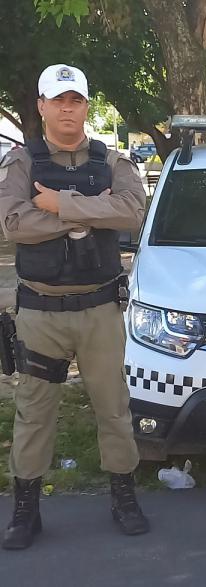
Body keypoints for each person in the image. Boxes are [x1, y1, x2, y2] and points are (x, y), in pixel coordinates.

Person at [0, 64, 149, 550]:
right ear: (42, 106)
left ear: (86, 106)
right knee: (34, 411)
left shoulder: (112, 160)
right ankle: (26, 509)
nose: (69, 109)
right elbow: (13, 223)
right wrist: (88, 209)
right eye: (59, 100)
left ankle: (124, 498)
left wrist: (58, 206)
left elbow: (131, 211)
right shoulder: (22, 163)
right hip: (41, 312)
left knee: (113, 408)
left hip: (100, 310)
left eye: (77, 100)